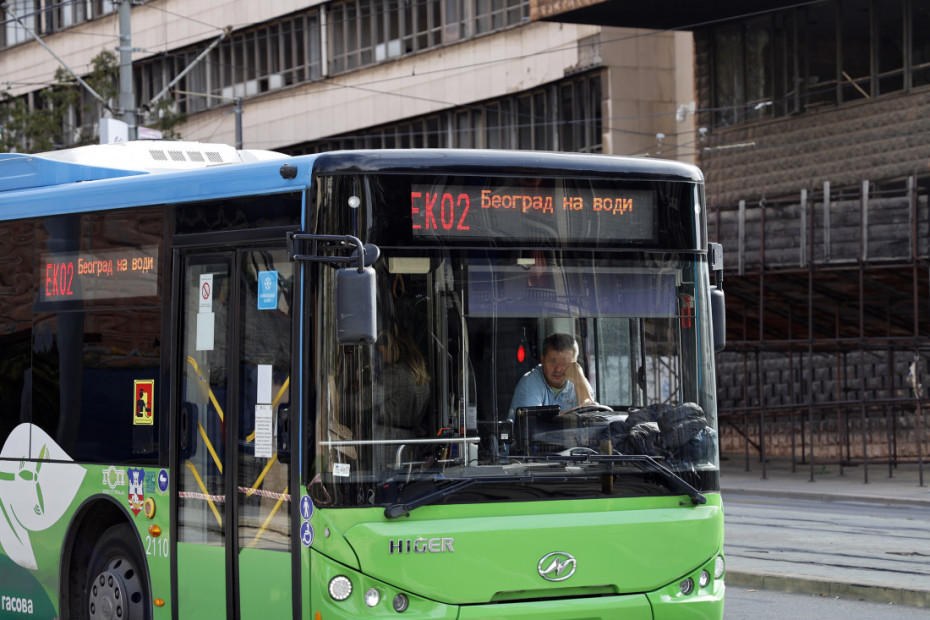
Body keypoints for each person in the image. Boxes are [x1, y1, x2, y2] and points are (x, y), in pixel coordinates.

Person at [509, 332, 594, 418]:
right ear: (543, 360)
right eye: (553, 361)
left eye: (564, 362)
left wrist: (580, 381)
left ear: (574, 363)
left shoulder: (580, 381)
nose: (558, 369)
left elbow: (592, 414)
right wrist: (579, 412)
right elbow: (532, 423)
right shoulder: (529, 383)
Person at [375, 324, 430, 439]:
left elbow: (366, 400)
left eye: (382, 352)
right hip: (410, 437)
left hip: (389, 437)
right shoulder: (419, 373)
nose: (382, 358)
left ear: (392, 348)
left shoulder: (395, 374)